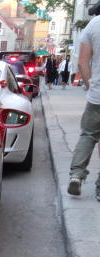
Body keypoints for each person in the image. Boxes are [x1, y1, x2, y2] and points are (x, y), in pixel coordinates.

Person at [68, 16, 100, 200]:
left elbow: (82, 62)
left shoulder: (94, 24)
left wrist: (90, 86)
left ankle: (76, 175)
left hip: (97, 97)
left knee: (88, 135)